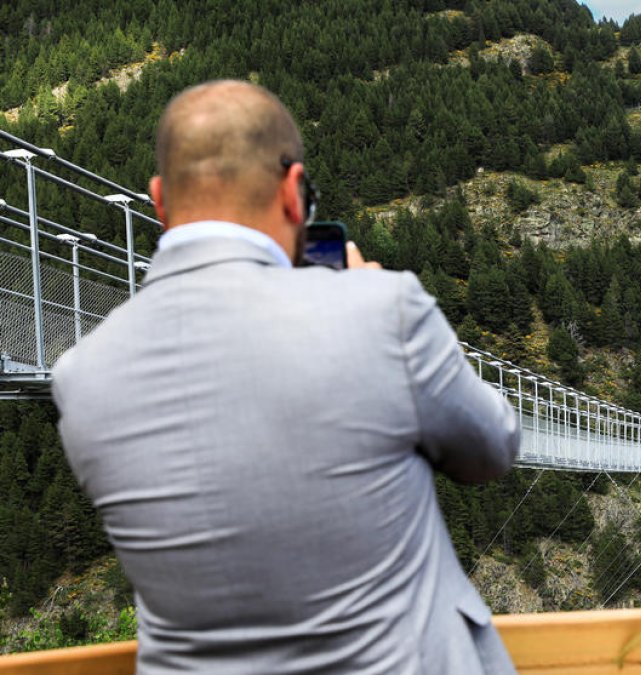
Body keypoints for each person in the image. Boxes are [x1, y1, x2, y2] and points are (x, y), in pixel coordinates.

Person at [52, 80, 521, 674]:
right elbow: (494, 449)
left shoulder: (79, 373)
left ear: (158, 200)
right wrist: (379, 303)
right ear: (295, 193)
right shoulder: (381, 310)